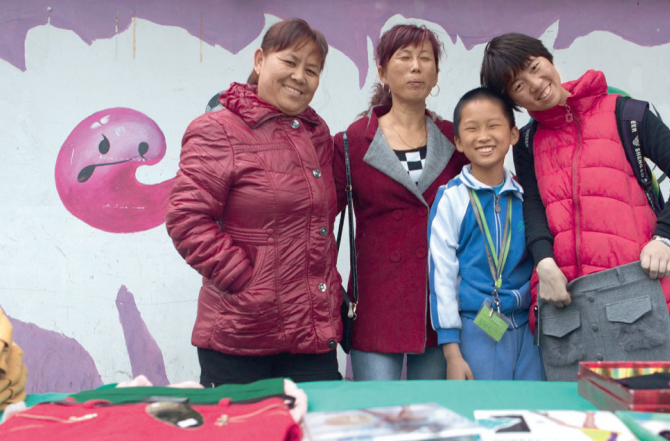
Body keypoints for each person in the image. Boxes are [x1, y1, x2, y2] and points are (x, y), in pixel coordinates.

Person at [480, 34, 670, 373]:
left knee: (639, 397)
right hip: (565, 299)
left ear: (548, 58)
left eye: (534, 67)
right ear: (512, 100)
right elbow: (534, 206)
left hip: (633, 292)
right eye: (518, 85)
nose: (535, 84)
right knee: (570, 404)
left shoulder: (624, 113)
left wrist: (665, 238)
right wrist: (544, 262)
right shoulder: (527, 141)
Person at [166, 19, 342, 386]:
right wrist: (245, 281)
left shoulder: (317, 135)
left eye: (312, 70)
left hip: (310, 335)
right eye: (290, 62)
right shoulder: (217, 129)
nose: (299, 77)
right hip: (240, 336)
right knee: (242, 425)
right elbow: (186, 218)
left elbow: (318, 223)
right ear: (260, 60)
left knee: (317, 422)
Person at [333, 24, 467, 381]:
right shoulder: (352, 141)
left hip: (438, 305)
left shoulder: (455, 139)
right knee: (378, 409)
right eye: (404, 57)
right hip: (376, 304)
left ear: (436, 73)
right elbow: (318, 219)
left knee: (433, 409)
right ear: (382, 71)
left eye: (425, 58)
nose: (416, 66)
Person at [427, 88, 543, 381]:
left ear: (513, 134)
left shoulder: (527, 196)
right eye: (472, 129)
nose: (483, 136)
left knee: (532, 405)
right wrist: (452, 355)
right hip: (477, 327)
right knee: (485, 406)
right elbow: (442, 276)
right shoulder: (451, 198)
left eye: (493, 126)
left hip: (528, 329)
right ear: (458, 141)